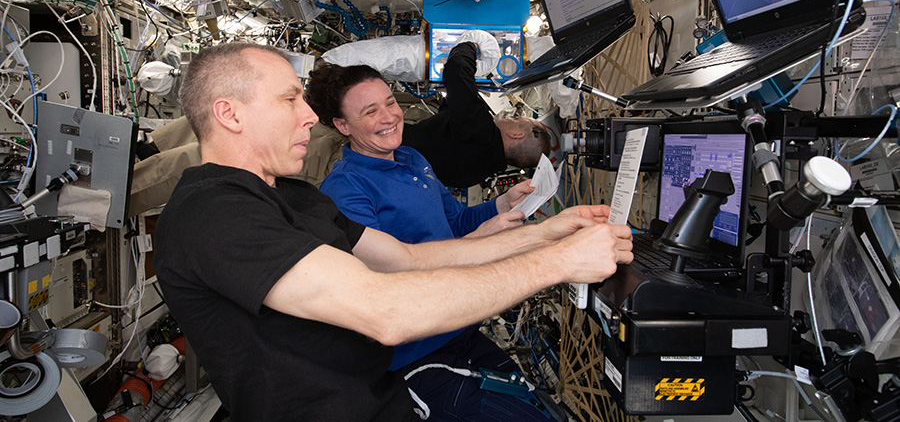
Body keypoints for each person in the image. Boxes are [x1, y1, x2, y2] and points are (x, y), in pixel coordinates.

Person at [152, 42, 633, 421]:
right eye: (289, 99)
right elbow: (387, 311)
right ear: (229, 114)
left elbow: (407, 259)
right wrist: (560, 263)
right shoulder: (215, 213)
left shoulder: (296, 198)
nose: (309, 115)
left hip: (381, 400)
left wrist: (550, 233)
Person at [307, 62, 564, 421]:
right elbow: (382, 283)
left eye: (389, 102)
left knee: (544, 409)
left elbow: (455, 220)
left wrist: (502, 204)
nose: (389, 117)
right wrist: (478, 244)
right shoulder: (345, 190)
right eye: (370, 111)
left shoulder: (412, 159)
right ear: (342, 126)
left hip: (460, 327)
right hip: (415, 355)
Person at [403, 40, 552, 188]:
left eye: (515, 118)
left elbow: (456, 69)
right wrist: (465, 91)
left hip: (388, 145)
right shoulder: (476, 174)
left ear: (516, 134)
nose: (507, 117)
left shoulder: (481, 131)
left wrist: (470, 45)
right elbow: (452, 120)